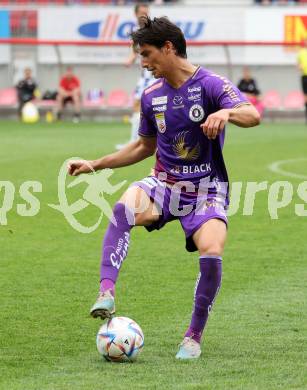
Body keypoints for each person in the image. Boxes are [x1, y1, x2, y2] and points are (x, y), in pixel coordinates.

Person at [68, 16, 260, 360]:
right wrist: (95, 164)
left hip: (205, 190)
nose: (143, 62)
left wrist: (227, 114)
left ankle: (193, 337)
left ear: (168, 48)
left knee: (212, 250)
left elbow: (252, 114)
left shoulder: (211, 84)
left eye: (146, 53)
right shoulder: (151, 95)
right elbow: (143, 146)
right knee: (123, 207)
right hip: (164, 183)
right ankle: (106, 292)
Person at [116, 3, 155, 150]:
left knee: (139, 106)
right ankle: (136, 141)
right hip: (146, 75)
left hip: (153, 74)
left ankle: (135, 143)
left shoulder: (152, 30)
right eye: (142, 13)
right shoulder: (138, 32)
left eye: (146, 12)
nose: (144, 15)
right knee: (139, 106)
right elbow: (134, 50)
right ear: (136, 14)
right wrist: (129, 60)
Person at [297, 38, 307, 123]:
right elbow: (299, 65)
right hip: (305, 77)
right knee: (305, 97)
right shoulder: (301, 53)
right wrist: (300, 67)